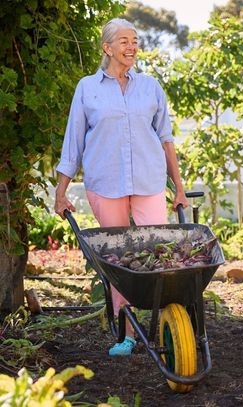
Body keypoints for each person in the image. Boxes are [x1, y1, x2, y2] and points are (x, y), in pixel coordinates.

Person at [54, 18, 188, 357]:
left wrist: (180, 188)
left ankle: (166, 327)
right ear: (107, 47)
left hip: (148, 181)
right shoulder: (88, 88)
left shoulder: (150, 87)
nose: (131, 47)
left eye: (135, 41)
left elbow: (166, 139)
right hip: (105, 183)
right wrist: (61, 191)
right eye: (124, 41)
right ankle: (127, 334)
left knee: (159, 254)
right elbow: (74, 144)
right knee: (119, 261)